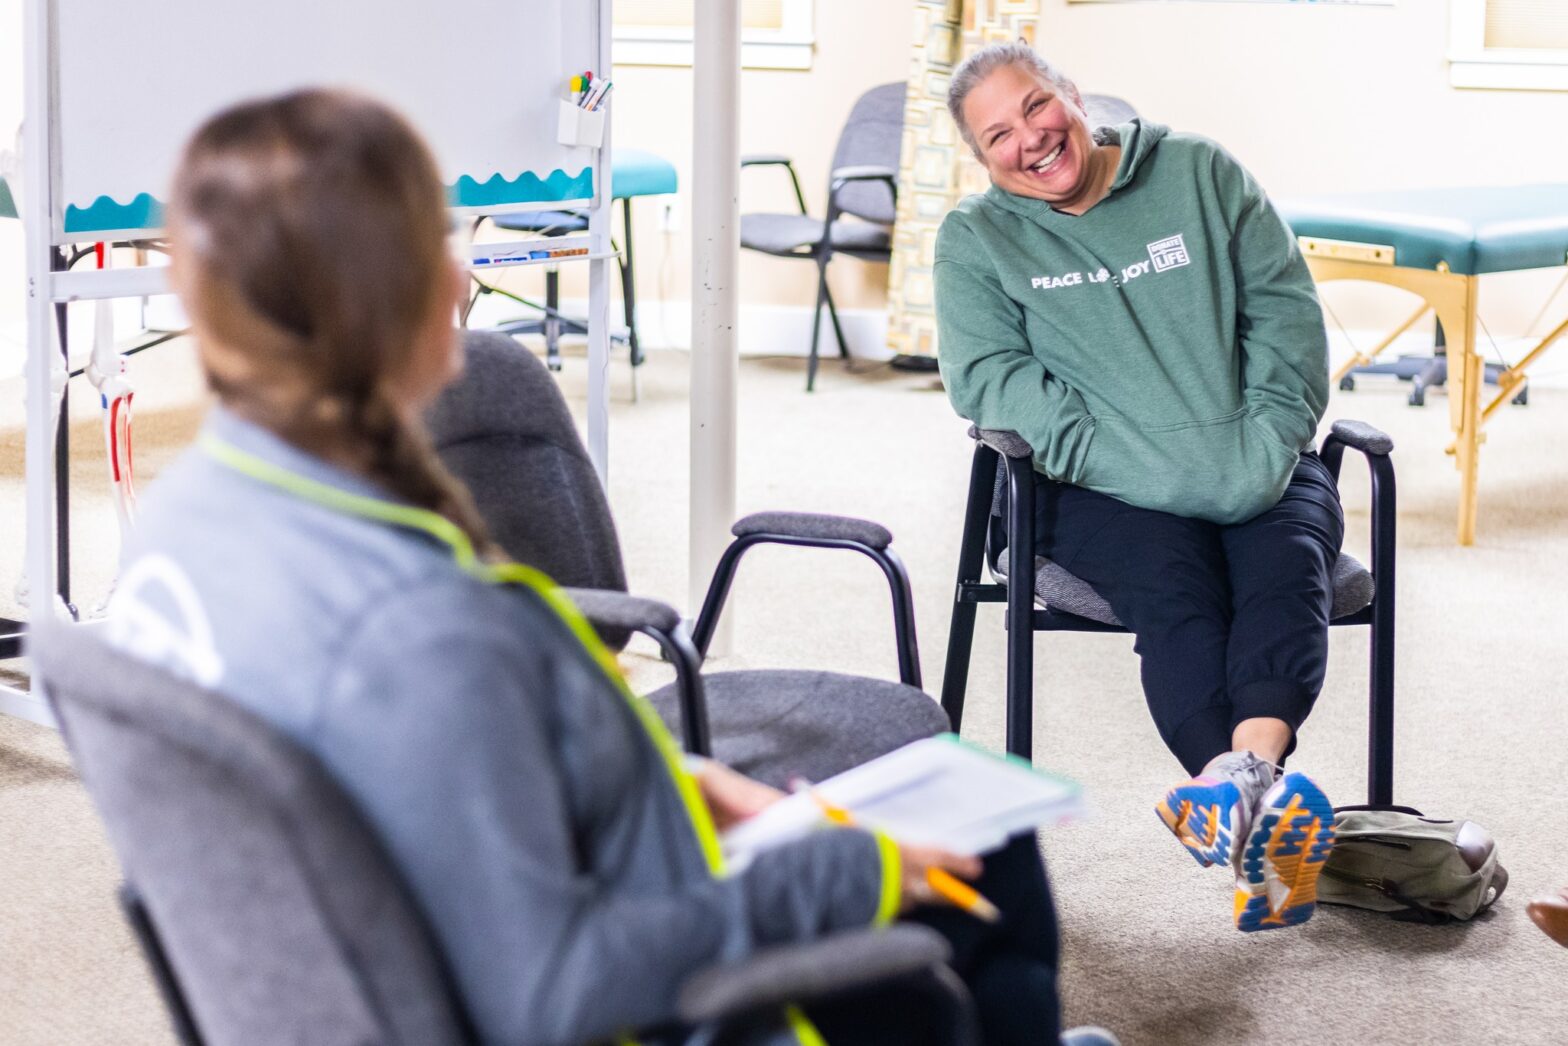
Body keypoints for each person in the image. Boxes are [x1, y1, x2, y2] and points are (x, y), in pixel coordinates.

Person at [104, 88, 1115, 1046]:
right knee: (991, 864)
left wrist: (696, 785)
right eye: (434, 245)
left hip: (490, 887)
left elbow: (430, 764)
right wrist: (841, 874)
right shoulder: (421, 627)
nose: (460, 278)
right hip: (652, 989)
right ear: (373, 300)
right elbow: (552, 987)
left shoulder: (184, 523)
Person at [936, 43, 1340, 933]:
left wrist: (1266, 440)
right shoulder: (978, 240)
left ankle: (1231, 791)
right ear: (983, 160)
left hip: (1257, 454)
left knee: (1288, 572)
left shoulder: (1198, 173)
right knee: (1176, 593)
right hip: (1096, 483)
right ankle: (1259, 800)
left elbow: (1287, 317)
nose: (1030, 139)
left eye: (1037, 108)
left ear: (1074, 98)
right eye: (998, 134)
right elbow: (990, 380)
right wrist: (1133, 460)